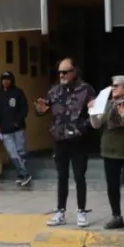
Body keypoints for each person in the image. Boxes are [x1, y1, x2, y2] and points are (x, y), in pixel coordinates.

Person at [34, 58, 96, 228]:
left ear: (74, 72)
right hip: (60, 140)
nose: (61, 75)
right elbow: (43, 109)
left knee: (79, 176)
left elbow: (95, 114)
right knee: (61, 177)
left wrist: (82, 127)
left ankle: (81, 211)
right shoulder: (54, 91)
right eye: (60, 72)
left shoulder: (86, 89)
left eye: (65, 72)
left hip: (78, 140)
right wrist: (39, 110)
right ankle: (60, 212)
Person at [90, 75, 124, 231]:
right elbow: (96, 125)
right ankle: (116, 216)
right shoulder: (108, 104)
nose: (113, 88)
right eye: (112, 85)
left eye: (116, 86)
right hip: (110, 151)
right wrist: (92, 112)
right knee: (112, 185)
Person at [0, 71, 33, 187]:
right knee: (13, 154)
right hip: (5, 130)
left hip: (18, 128)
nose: (5, 81)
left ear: (12, 80)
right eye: (4, 79)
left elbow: (24, 109)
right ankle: (25, 174)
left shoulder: (18, 92)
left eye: (8, 79)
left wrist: (17, 122)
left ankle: (21, 176)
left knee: (21, 152)